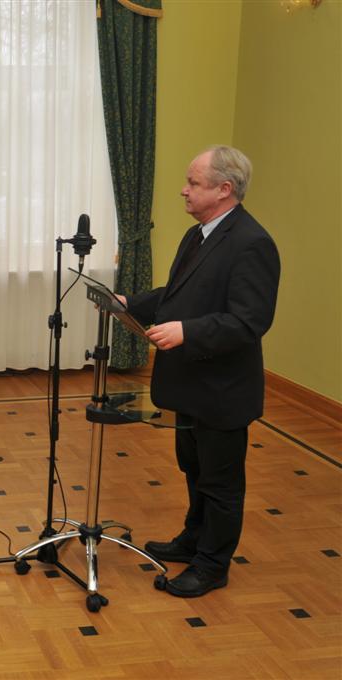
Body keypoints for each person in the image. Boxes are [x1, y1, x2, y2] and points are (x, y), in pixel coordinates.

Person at [117, 145, 280, 598]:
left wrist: (187, 331)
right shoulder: (198, 234)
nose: (183, 190)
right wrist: (131, 303)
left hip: (223, 390)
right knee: (193, 468)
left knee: (221, 483)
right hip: (190, 384)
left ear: (224, 189)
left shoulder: (252, 243)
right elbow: (178, 294)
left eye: (193, 183)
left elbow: (249, 321)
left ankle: (212, 565)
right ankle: (193, 538)